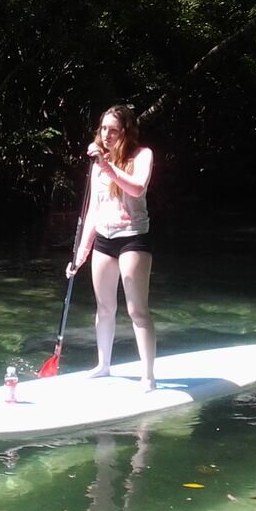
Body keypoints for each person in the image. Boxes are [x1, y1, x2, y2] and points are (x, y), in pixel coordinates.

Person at [66, 104, 156, 391]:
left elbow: (137, 188)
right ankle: (103, 364)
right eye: (103, 128)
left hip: (132, 237)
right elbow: (93, 210)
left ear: (126, 132)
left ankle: (148, 376)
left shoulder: (142, 156)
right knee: (104, 307)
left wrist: (108, 166)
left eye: (113, 130)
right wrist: (80, 254)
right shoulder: (97, 166)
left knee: (136, 310)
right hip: (104, 239)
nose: (106, 135)